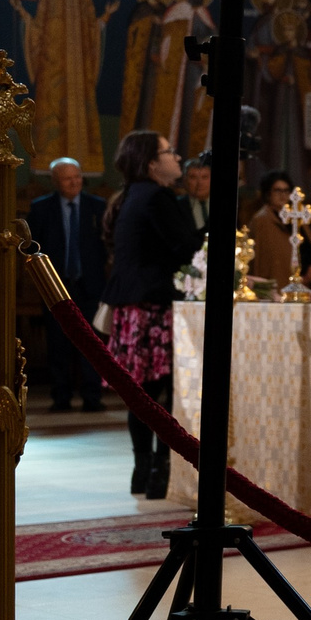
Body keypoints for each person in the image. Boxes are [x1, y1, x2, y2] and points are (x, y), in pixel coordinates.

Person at [101, 131, 199, 500]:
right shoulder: (158, 196)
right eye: (169, 152)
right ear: (151, 163)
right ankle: (159, 472)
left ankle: (142, 472)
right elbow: (186, 247)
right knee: (166, 391)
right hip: (154, 305)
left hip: (131, 304)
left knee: (140, 393)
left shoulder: (130, 195)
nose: (177, 157)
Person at [28, 156, 106, 412]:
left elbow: (106, 247)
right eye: (67, 178)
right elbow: (32, 248)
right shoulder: (41, 208)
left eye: (78, 177)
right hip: (55, 286)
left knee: (92, 343)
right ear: (55, 181)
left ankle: (92, 396)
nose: (74, 182)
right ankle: (61, 396)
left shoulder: (98, 207)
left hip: (90, 285)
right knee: (58, 343)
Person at [248, 171, 311, 287]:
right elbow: (260, 258)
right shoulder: (262, 220)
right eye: (278, 190)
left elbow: (308, 247)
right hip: (277, 281)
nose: (283, 195)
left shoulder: (297, 215)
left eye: (286, 190)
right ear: (268, 193)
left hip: (302, 282)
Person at [181, 155, 214, 229]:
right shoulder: (176, 206)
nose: (200, 183)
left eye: (204, 177)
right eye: (193, 177)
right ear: (185, 180)